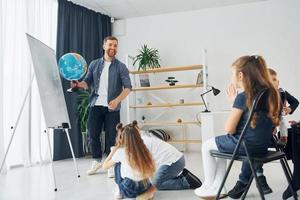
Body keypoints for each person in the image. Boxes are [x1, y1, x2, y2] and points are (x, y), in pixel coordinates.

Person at [194, 55, 281, 199]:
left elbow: (229, 129)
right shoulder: (270, 94)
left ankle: (210, 184)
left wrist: (234, 103)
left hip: (244, 146)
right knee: (216, 146)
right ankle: (217, 185)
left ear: (240, 75)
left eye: (232, 73)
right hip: (262, 147)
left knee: (206, 145)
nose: (232, 77)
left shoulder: (243, 97)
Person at [229, 68, 300, 198]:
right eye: (270, 80)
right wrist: (236, 101)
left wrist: (289, 109)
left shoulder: (278, 93)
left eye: (275, 79)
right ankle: (250, 179)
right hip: (263, 135)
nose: (274, 82)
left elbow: (293, 103)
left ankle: (245, 181)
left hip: (271, 135)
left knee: (251, 145)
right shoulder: (262, 96)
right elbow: (249, 118)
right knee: (251, 144)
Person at [70, 36, 132, 176]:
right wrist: (79, 84)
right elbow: (87, 82)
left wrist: (117, 100)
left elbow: (128, 88)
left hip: (112, 107)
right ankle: (97, 160)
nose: (113, 48)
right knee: (93, 134)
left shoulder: (121, 67)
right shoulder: (94, 64)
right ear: (104, 46)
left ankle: (110, 163)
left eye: (115, 45)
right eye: (110, 45)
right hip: (96, 105)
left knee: (112, 136)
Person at [102, 121, 156, 199]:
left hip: (129, 188)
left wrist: (113, 152)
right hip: (145, 186)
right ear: (138, 136)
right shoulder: (144, 149)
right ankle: (146, 194)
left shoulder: (121, 152)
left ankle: (119, 190)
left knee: (118, 163)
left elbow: (104, 166)